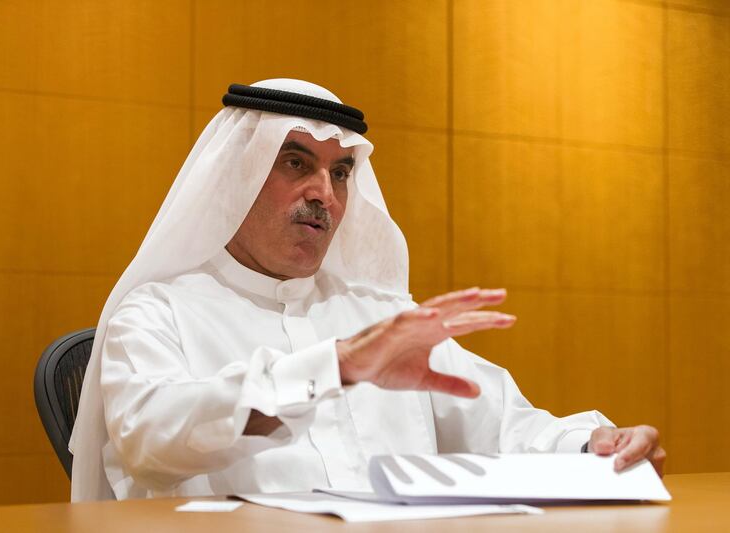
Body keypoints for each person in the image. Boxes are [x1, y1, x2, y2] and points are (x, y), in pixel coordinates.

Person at [69, 79, 666, 502]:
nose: (324, 194)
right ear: (237, 178)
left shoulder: (382, 314)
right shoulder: (157, 313)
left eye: (341, 173)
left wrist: (592, 447)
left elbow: (504, 427)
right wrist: (335, 367)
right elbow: (153, 440)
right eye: (296, 164)